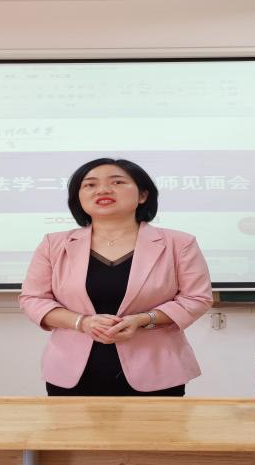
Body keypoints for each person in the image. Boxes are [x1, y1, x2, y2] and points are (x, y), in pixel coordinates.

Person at [19, 158, 213, 396]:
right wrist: (82, 322)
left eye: (117, 182)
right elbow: (33, 299)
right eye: (90, 185)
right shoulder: (53, 244)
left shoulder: (179, 243)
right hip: (70, 372)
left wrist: (143, 319)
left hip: (156, 368)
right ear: (78, 197)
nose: (102, 190)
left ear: (143, 195)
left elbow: (196, 298)